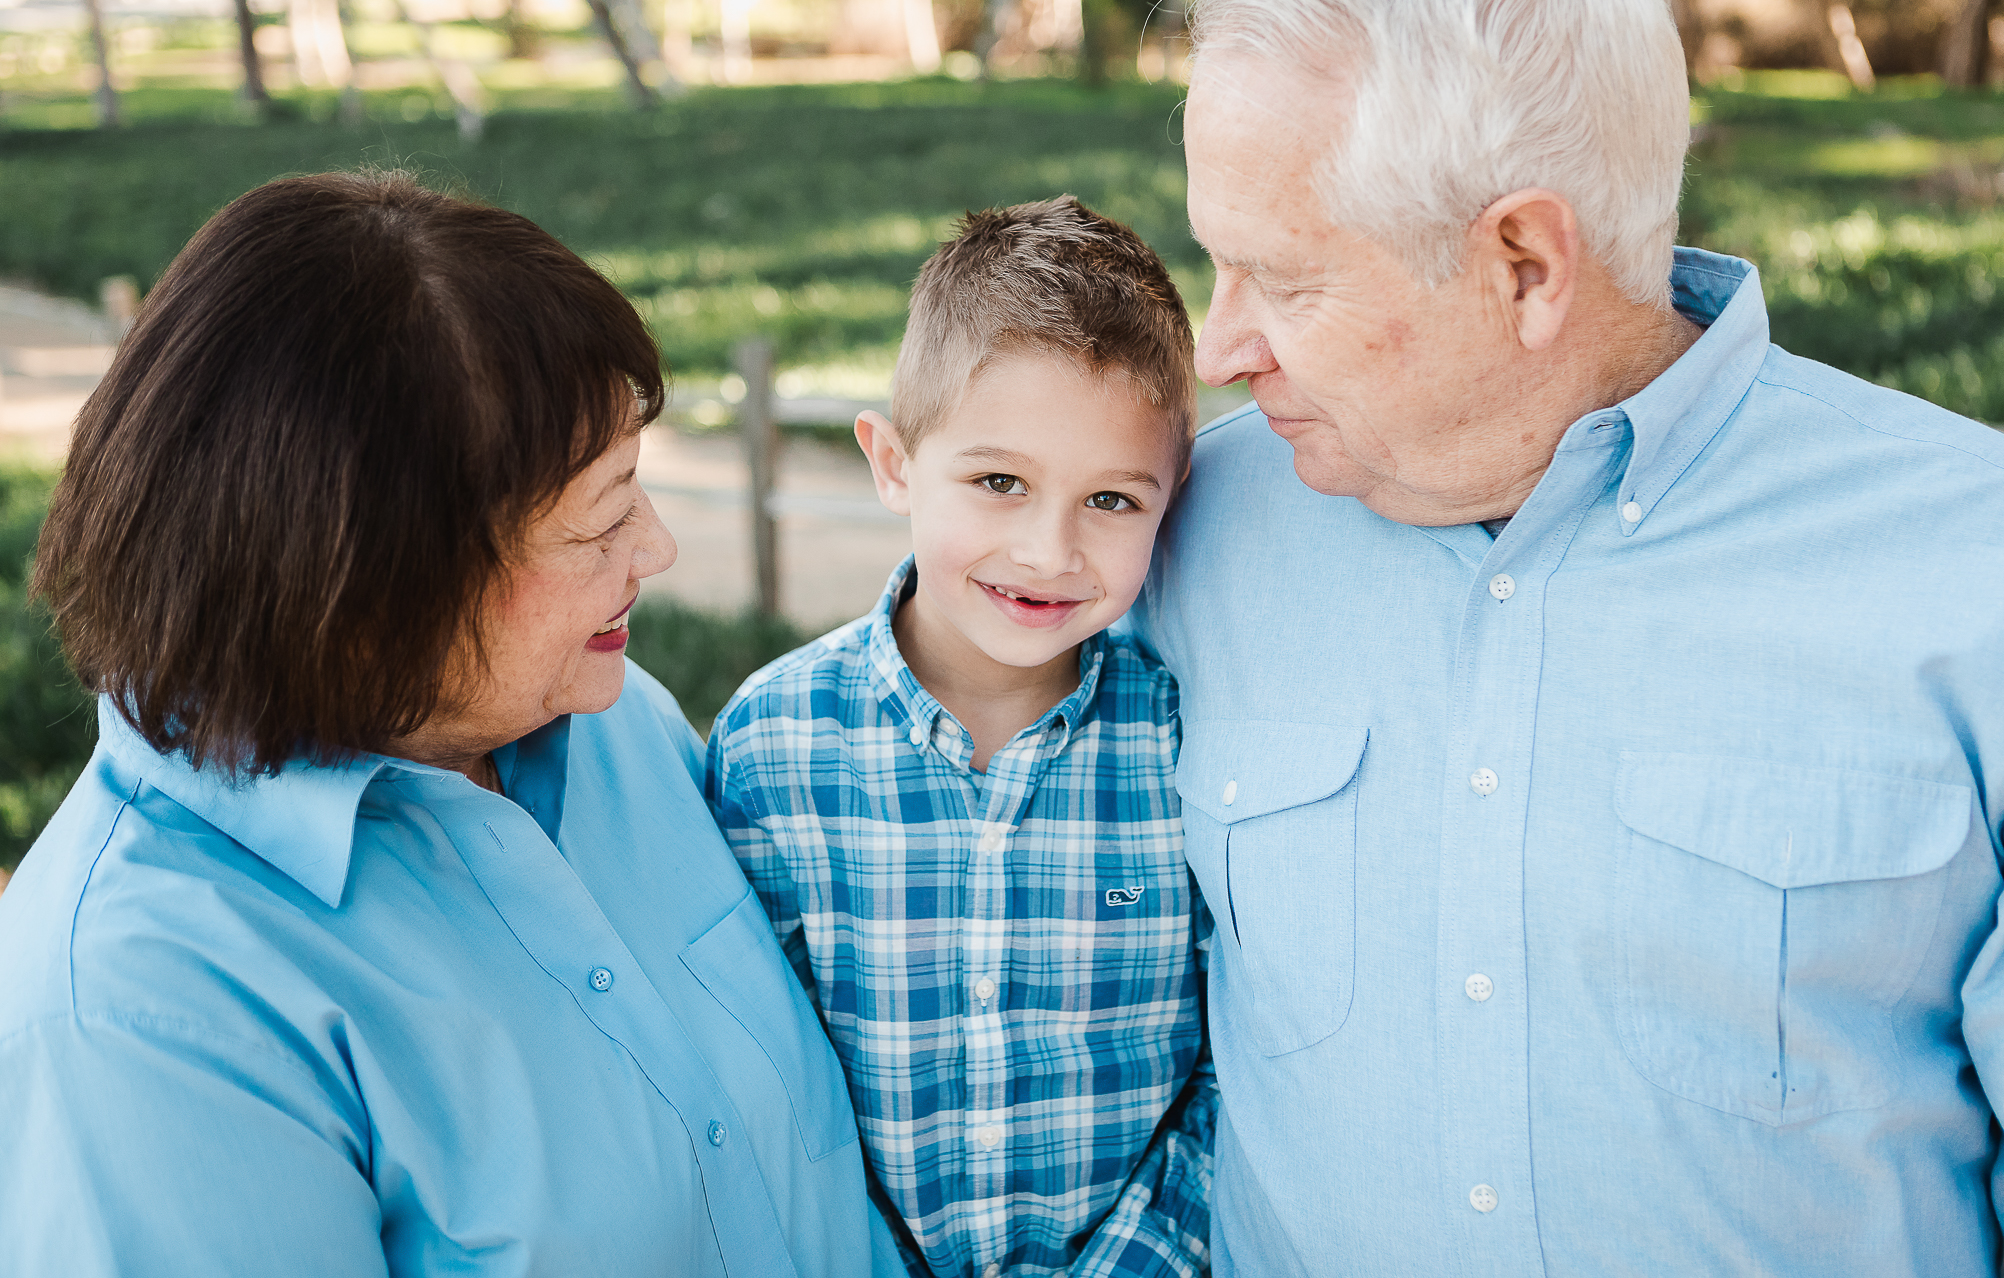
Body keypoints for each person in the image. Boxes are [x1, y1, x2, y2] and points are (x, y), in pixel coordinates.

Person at [1131, 0, 2004, 1274]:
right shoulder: (1169, 538)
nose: (1217, 347)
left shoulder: (1997, 579)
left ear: (1527, 265)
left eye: (1284, 275)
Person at [0, 172, 904, 1278]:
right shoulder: (145, 1016)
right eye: (601, 521)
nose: (655, 549)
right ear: (375, 594)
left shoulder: (614, 727)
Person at [707, 198, 1215, 1278]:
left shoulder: (1187, 750)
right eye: (997, 482)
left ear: (1175, 498)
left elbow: (1230, 1065)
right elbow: (756, 1069)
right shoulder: (773, 747)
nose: (1047, 550)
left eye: (1113, 501)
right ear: (892, 464)